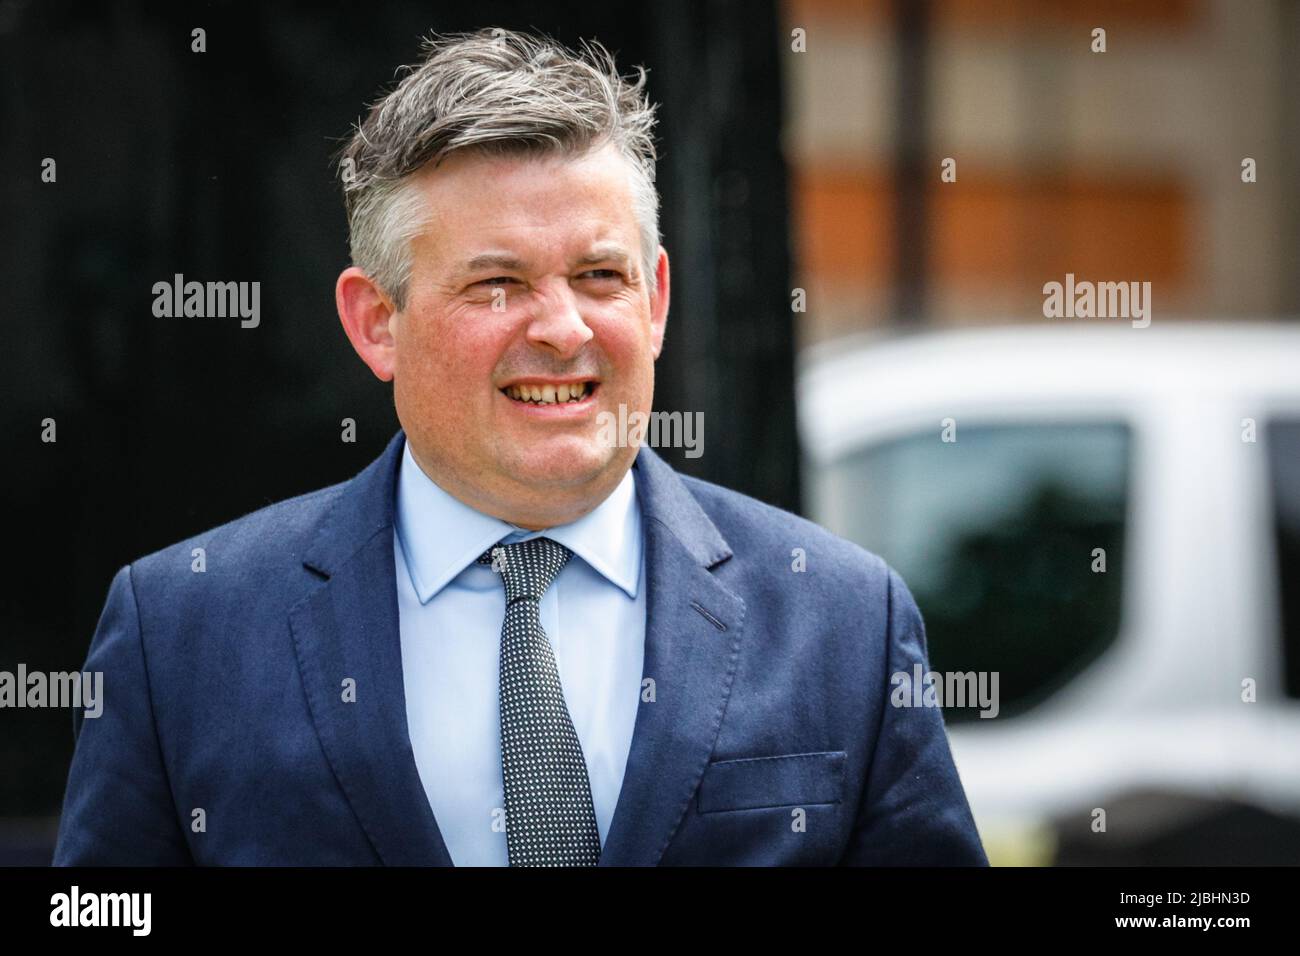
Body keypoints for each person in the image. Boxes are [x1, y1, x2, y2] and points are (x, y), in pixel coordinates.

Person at [53, 27, 987, 866]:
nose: (562, 328)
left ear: (656, 301)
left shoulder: (845, 623)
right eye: (497, 283)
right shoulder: (181, 635)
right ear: (377, 321)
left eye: (599, 275)